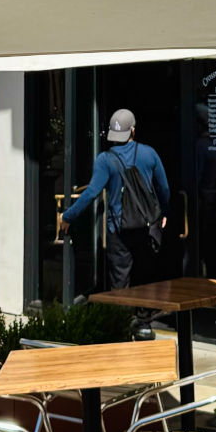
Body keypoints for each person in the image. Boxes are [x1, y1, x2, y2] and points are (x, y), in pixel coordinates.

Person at [56, 107, 169, 337]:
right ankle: (144, 326)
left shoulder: (105, 160)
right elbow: (163, 188)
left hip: (118, 230)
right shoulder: (149, 154)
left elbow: (90, 194)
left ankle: (122, 327)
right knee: (145, 276)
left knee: (120, 280)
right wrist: (163, 213)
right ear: (133, 131)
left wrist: (68, 216)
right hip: (146, 227)